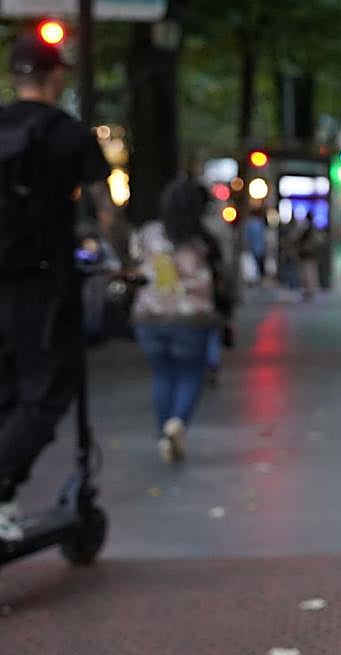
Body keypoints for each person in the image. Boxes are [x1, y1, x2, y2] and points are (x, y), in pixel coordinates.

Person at [0, 33, 112, 542]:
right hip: (40, 285)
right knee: (47, 393)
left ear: (15, 77)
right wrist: (123, 258)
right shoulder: (65, 133)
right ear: (56, 77)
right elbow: (105, 208)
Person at [131, 178, 220, 463]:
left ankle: (163, 433)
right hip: (192, 318)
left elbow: (135, 263)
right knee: (190, 374)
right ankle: (178, 422)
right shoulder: (204, 240)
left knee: (162, 375)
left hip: (151, 316)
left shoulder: (149, 234)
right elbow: (222, 277)